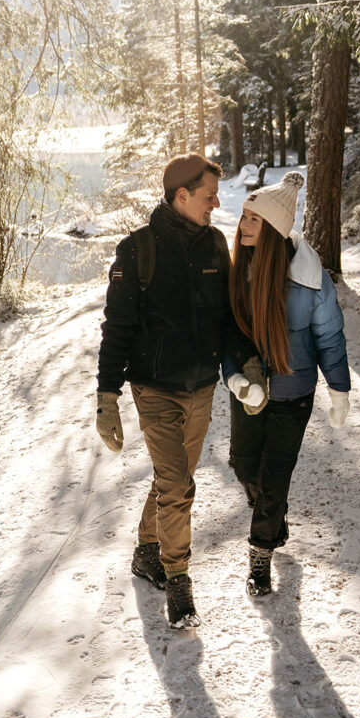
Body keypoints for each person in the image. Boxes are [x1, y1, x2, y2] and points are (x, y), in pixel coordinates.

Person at [96, 153, 251, 629]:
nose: (216, 202)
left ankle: (146, 551)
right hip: (155, 387)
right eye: (208, 195)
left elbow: (226, 320)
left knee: (171, 481)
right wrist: (107, 396)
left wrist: (245, 365)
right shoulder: (137, 250)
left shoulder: (214, 246)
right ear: (181, 196)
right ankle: (178, 579)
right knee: (180, 485)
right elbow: (117, 326)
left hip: (201, 387)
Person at [223, 170, 351, 596]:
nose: (243, 225)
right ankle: (273, 516)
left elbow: (329, 336)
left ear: (275, 229)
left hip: (293, 395)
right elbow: (229, 336)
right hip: (251, 391)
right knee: (244, 466)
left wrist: (339, 389)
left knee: (275, 477)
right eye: (243, 216)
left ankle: (261, 555)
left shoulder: (311, 282)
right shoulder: (238, 271)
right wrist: (238, 378)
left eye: (253, 219)